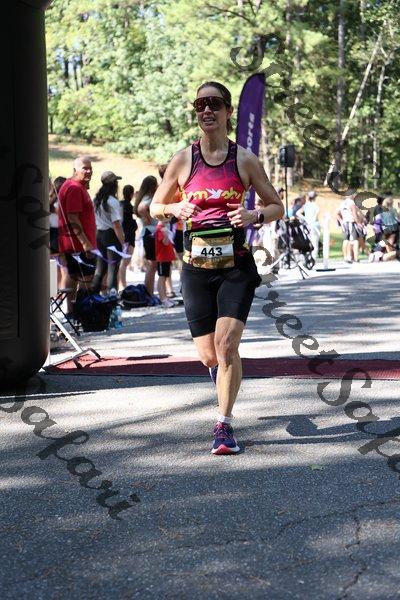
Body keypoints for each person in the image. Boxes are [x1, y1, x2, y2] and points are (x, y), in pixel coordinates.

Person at [150, 81, 284, 454]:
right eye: (200, 105)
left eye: (214, 103)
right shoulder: (183, 160)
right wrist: (173, 208)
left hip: (235, 266)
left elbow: (277, 206)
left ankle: (223, 425)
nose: (206, 110)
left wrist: (255, 214)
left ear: (228, 111)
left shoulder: (244, 160)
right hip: (195, 267)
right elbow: (154, 207)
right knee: (209, 355)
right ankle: (226, 373)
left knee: (226, 346)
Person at [57, 156, 96, 314]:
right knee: (86, 279)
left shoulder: (72, 185)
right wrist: (86, 243)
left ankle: (72, 312)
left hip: (73, 243)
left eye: (90, 168)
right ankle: (83, 313)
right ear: (75, 170)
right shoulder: (74, 188)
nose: (89, 171)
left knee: (73, 277)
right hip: (78, 244)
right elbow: (72, 218)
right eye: (84, 168)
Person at [92, 171, 125, 295]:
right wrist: (123, 242)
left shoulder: (96, 200)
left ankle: (94, 296)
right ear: (114, 184)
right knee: (113, 268)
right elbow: (116, 225)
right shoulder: (113, 202)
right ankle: (112, 297)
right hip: (111, 235)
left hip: (99, 234)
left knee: (100, 269)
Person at [135, 176, 158, 296]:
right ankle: (149, 293)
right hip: (150, 232)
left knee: (152, 265)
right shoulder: (148, 198)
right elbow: (141, 208)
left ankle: (149, 292)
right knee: (152, 265)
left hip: (148, 232)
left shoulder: (144, 197)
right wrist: (148, 218)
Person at [118, 184, 138, 291]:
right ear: (131, 194)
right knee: (124, 261)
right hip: (128, 236)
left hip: (124, 235)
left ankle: (121, 284)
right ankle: (122, 285)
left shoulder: (120, 204)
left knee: (124, 261)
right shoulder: (129, 207)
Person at [155, 220, 177, 308]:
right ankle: (163, 299)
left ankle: (165, 297)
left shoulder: (163, 228)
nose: (168, 220)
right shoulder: (160, 229)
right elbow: (165, 242)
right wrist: (166, 234)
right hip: (162, 258)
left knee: (164, 278)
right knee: (162, 277)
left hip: (166, 258)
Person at [336, 194, 359, 263]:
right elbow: (354, 214)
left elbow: (337, 213)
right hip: (351, 222)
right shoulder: (352, 203)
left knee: (346, 240)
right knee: (355, 241)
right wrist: (358, 223)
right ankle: (355, 258)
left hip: (345, 223)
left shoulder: (343, 203)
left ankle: (346, 257)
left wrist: (341, 221)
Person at [298, 191, 320, 261]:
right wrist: (312, 219)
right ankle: (313, 259)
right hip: (314, 225)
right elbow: (316, 214)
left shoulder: (306, 205)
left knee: (309, 242)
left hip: (308, 225)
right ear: (314, 197)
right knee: (315, 243)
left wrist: (305, 218)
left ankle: (308, 258)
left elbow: (298, 213)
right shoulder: (315, 205)